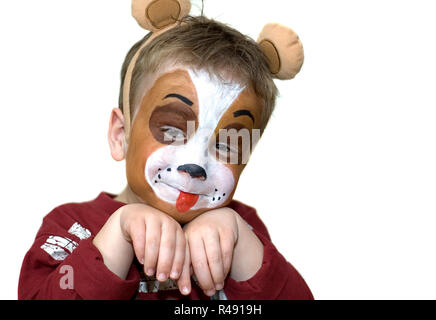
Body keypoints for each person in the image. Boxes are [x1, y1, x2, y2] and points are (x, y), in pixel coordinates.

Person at [18, 1, 313, 300]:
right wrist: (116, 239)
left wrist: (243, 250)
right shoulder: (73, 226)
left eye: (226, 145)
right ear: (121, 136)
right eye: (172, 131)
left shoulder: (243, 231)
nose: (195, 165)